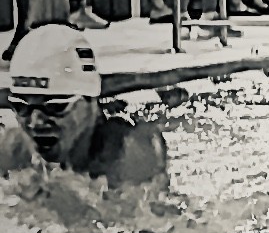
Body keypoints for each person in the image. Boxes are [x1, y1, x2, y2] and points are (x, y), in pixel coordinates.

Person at [0, 23, 167, 187]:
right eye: (21, 107)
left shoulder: (131, 152)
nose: (35, 122)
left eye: (56, 106)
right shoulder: (13, 152)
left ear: (91, 101)